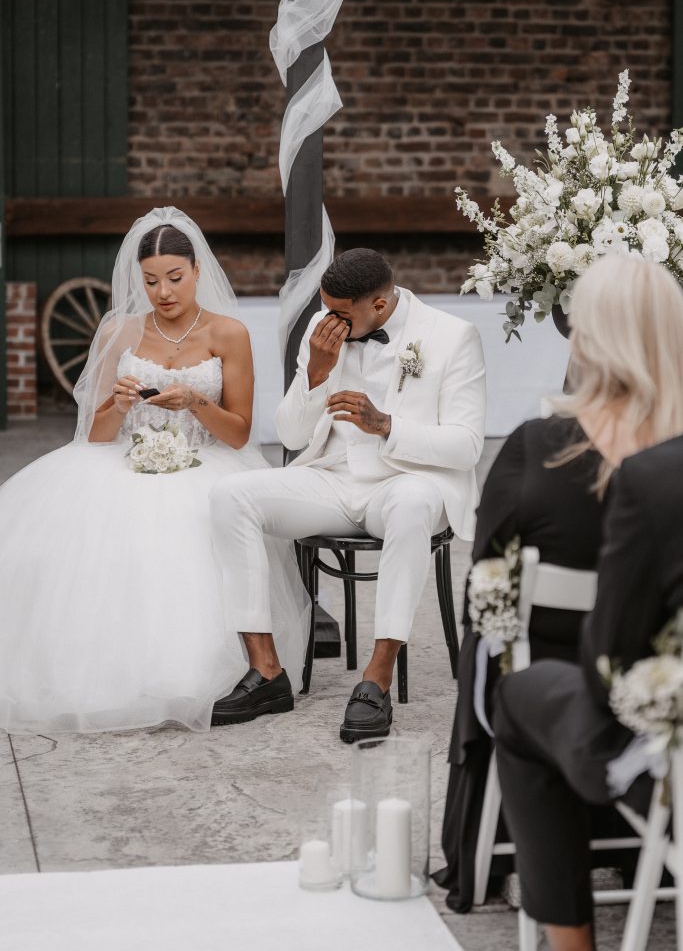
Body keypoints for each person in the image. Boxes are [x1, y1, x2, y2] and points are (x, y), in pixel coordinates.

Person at [0, 207, 309, 734]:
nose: (163, 292)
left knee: (195, 541)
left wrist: (193, 401)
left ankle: (219, 675)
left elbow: (237, 431)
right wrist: (119, 406)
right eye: (150, 281)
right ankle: (106, 674)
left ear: (196, 273)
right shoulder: (117, 332)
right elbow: (94, 435)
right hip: (122, 462)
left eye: (174, 278)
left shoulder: (228, 333)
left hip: (205, 460)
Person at [209, 247, 486, 741]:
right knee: (231, 495)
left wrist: (385, 425)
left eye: (340, 312)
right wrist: (316, 372)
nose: (327, 321)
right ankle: (268, 672)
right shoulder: (322, 334)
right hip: (332, 480)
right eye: (324, 308)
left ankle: (375, 679)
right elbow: (293, 436)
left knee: (413, 503)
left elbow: (466, 447)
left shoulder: (451, 337)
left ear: (378, 307)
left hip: (403, 481)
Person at [491, 254, 683, 951]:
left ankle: (569, 942)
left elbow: (608, 659)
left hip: (658, 758)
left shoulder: (646, 479)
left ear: (585, 336)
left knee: (519, 692)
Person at [436, 413, 606, 912]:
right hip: (662, 735)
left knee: (514, 684)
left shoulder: (539, 446)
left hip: (584, 720)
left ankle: (522, 859)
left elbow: (484, 574)